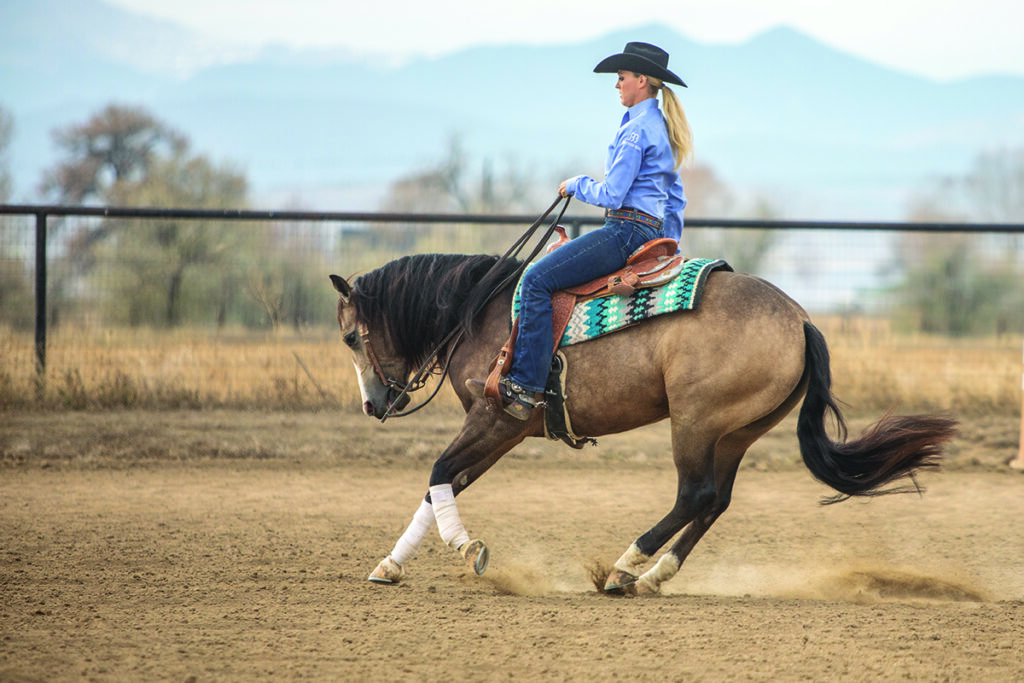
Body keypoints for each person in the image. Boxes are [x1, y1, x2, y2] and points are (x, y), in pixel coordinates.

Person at [495, 41, 694, 420]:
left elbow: (613, 194)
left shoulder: (636, 132)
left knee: (536, 280)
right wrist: (666, 244)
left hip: (623, 231)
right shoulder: (662, 127)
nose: (616, 85)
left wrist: (575, 184)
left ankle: (525, 386)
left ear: (642, 80)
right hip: (647, 232)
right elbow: (675, 198)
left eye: (621, 78)